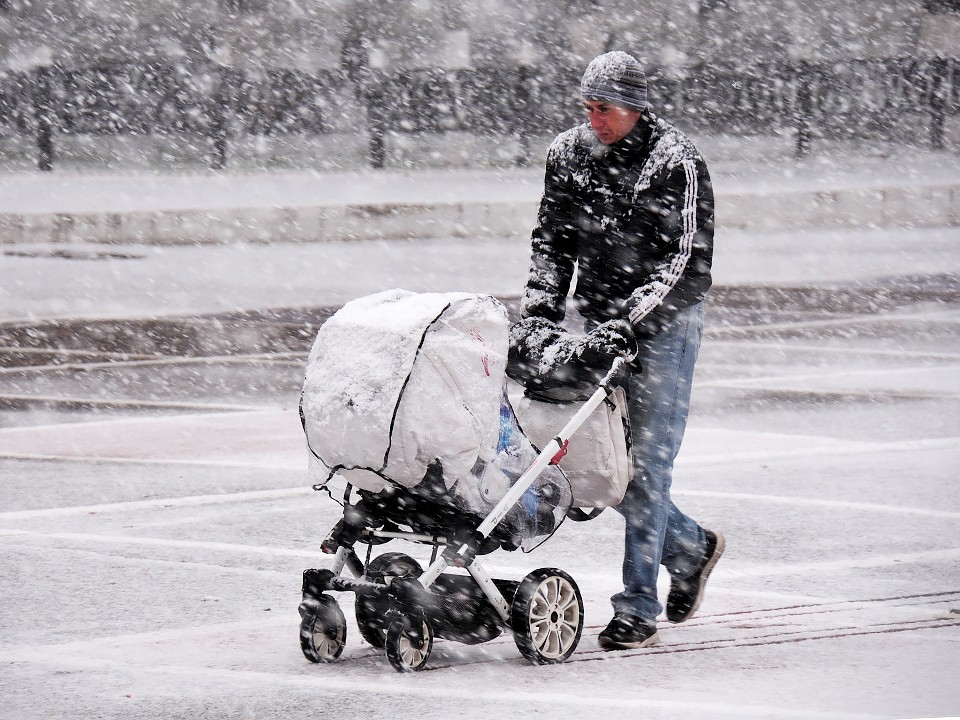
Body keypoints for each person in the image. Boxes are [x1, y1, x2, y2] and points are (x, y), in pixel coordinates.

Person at [518, 50, 725, 649]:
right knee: (598, 459)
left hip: (665, 326)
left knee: (649, 463)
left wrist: (632, 322)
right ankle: (689, 548)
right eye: (587, 108)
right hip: (598, 319)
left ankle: (638, 607)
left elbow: (688, 262)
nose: (594, 120)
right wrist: (539, 317)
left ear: (635, 107)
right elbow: (551, 243)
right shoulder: (568, 154)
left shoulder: (677, 162)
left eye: (604, 109)